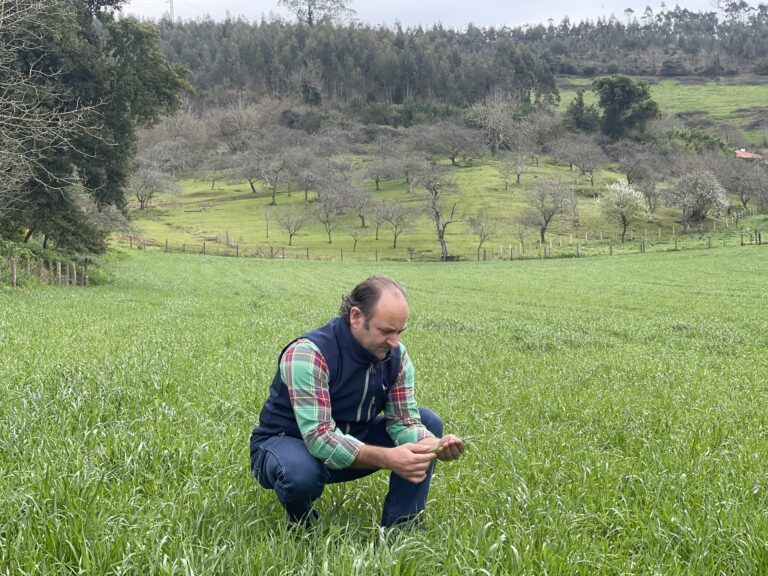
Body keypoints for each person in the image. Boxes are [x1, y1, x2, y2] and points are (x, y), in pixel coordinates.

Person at [250, 275, 464, 527]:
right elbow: (320, 438)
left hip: (350, 438)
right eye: (385, 331)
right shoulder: (308, 353)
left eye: (399, 332)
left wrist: (433, 445)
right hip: (289, 443)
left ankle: (403, 527)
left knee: (429, 422)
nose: (394, 342)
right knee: (299, 474)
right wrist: (388, 457)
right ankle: (302, 526)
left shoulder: (396, 356)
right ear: (355, 317)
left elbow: (404, 422)